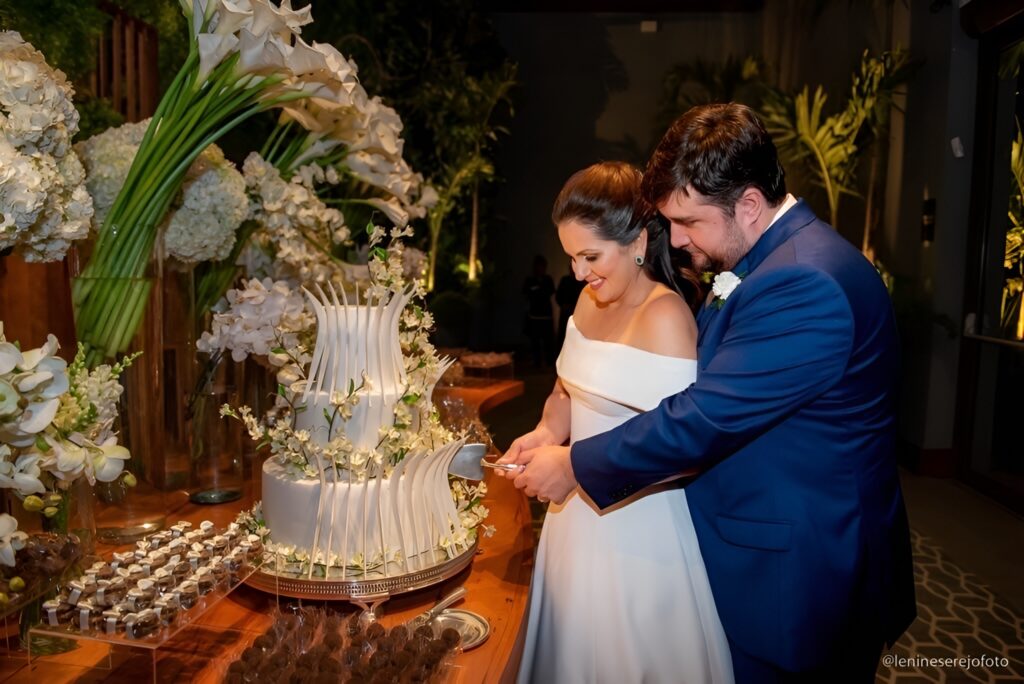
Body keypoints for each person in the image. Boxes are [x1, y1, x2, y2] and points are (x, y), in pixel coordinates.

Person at [499, 104, 916, 682]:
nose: (674, 238)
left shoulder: (805, 281)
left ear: (747, 204)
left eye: (688, 221)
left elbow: (703, 418)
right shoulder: (769, 260)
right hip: (754, 546)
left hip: (800, 573)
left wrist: (575, 464)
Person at [509, 162, 734, 683]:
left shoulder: (666, 317)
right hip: (571, 520)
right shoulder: (587, 303)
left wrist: (571, 465)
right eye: (571, 258)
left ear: (636, 240)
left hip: (638, 530)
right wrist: (545, 433)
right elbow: (566, 387)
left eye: (591, 256)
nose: (580, 273)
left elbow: (679, 448)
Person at [521, 254, 556, 367]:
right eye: (538, 266)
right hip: (534, 315)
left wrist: (538, 291)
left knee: (548, 341)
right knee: (535, 341)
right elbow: (527, 293)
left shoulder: (548, 279)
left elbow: (549, 292)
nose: (540, 269)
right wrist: (537, 291)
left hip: (546, 315)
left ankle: (550, 363)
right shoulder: (530, 280)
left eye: (543, 266)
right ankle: (537, 363)